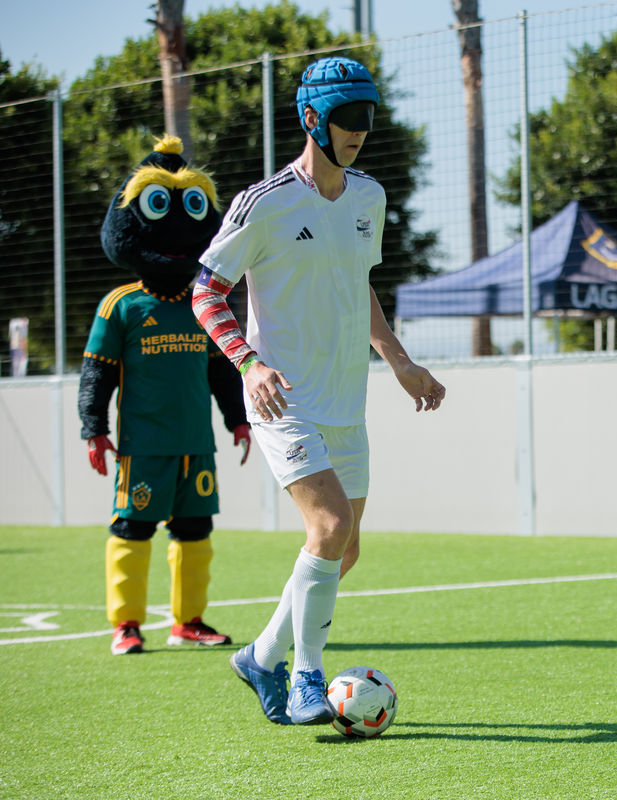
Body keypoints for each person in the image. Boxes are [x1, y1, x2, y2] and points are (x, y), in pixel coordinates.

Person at [193, 56, 446, 725]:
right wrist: (248, 364)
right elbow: (205, 291)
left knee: (346, 546)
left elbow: (355, 283)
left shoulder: (369, 198)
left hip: (345, 400)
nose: (360, 131)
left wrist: (400, 361)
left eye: (367, 117)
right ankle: (305, 675)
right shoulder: (265, 204)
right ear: (312, 119)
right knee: (329, 526)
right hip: (281, 396)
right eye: (347, 118)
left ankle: (259, 656)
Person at [79, 135, 251, 656]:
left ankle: (189, 620)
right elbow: (97, 372)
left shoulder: (205, 303)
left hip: (195, 445)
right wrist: (94, 429)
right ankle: (126, 624)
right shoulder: (121, 305)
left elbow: (222, 371)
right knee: (132, 529)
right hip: (142, 447)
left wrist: (238, 420)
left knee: (195, 531)